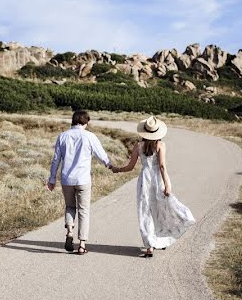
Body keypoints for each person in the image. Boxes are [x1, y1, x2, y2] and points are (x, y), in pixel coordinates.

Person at [111, 116, 195, 257]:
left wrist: (117, 169)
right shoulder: (161, 145)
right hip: (157, 180)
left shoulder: (138, 146)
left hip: (145, 180)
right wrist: (167, 184)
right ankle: (159, 240)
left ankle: (150, 245)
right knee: (161, 209)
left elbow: (130, 167)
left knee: (145, 211)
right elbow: (162, 166)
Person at [47, 110, 113, 255]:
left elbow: (56, 159)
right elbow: (100, 153)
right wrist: (109, 165)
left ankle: (69, 232)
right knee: (84, 211)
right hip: (83, 179)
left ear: (73, 120)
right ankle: (82, 244)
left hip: (66, 180)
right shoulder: (90, 136)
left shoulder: (62, 136)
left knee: (70, 206)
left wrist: (52, 179)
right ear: (86, 122)